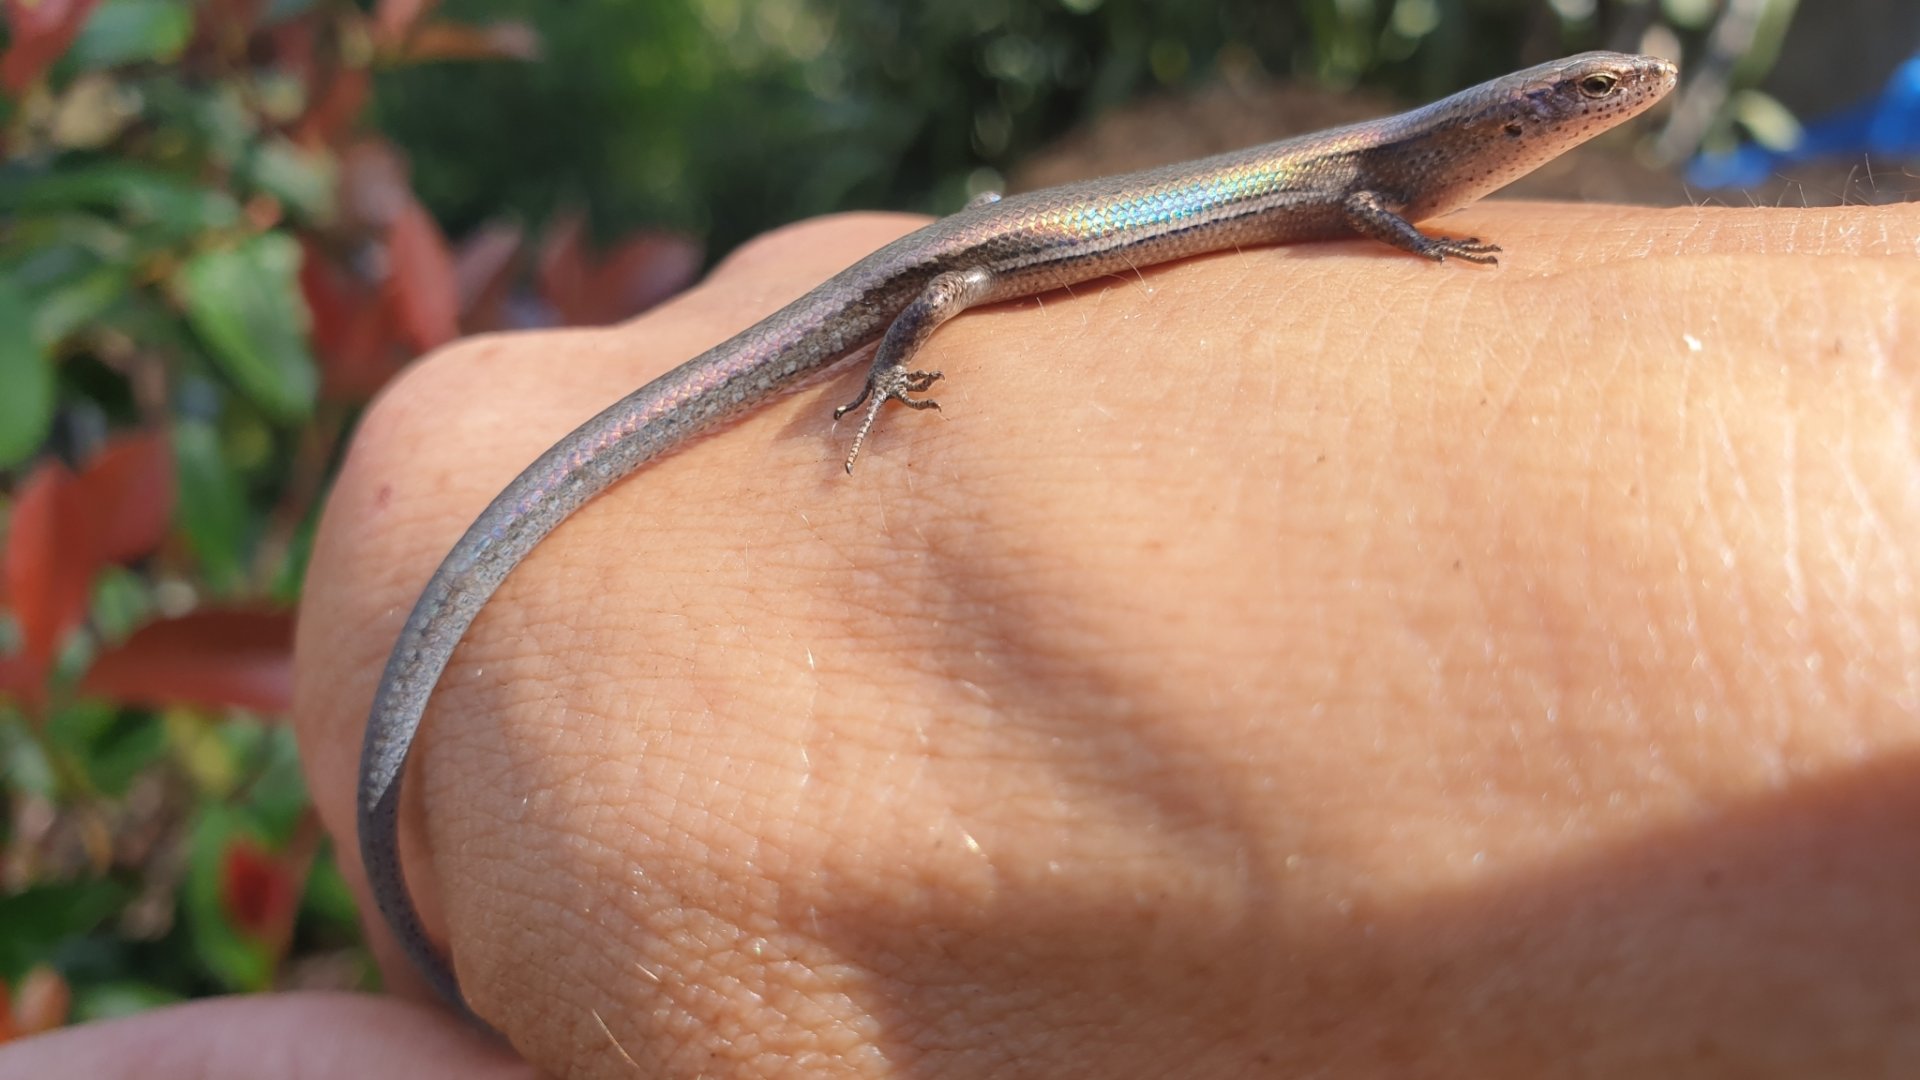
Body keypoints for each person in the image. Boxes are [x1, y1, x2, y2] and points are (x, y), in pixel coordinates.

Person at [6, 203, 1916, 1078]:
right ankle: (862, 386)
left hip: (943, 252)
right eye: (1578, 102)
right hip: (940, 273)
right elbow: (1343, 210)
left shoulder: (1399, 166)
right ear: (1512, 131)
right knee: (913, 314)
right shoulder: (1384, 176)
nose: (1601, 115)